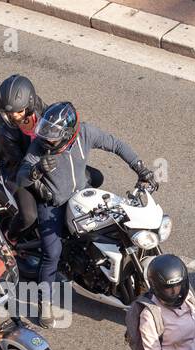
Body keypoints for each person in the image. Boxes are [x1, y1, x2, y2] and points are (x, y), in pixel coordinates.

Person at [14, 102, 154, 321]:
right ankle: (46, 302)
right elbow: (21, 176)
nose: (47, 139)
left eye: (53, 135)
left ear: (69, 134)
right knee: (52, 253)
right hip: (53, 204)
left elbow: (115, 144)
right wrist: (37, 170)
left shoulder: (86, 134)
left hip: (81, 196)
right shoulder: (40, 148)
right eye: (46, 132)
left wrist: (141, 168)